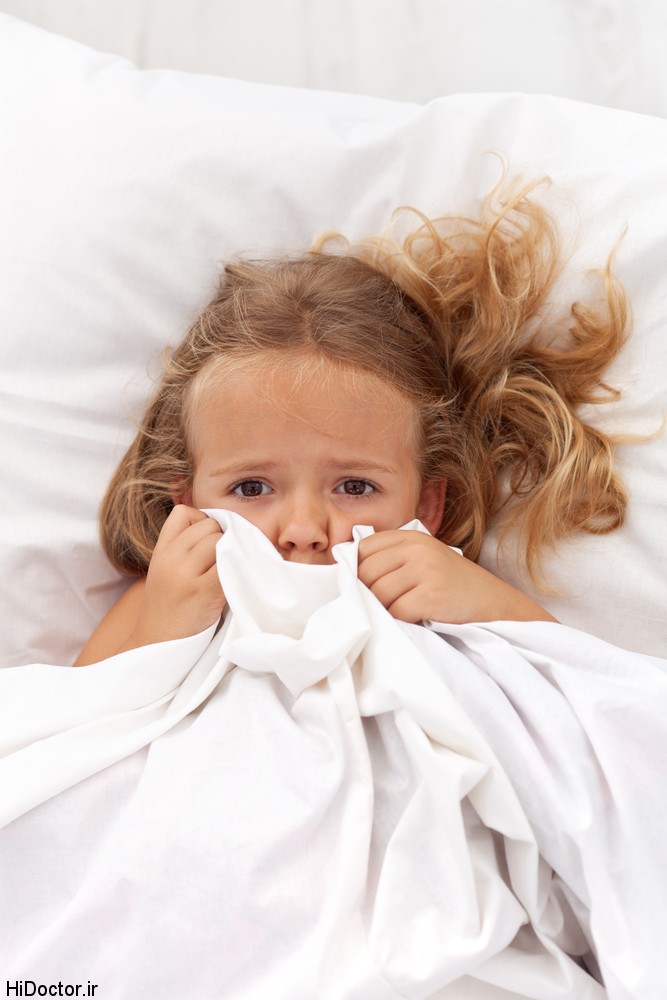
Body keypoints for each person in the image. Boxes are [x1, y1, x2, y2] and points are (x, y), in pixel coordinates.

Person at [74, 177, 628, 666]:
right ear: (188, 505)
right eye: (251, 487)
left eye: (356, 487)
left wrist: (490, 604)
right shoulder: (166, 596)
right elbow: (69, 725)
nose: (303, 530)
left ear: (427, 505)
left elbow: (596, 695)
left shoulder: (437, 592)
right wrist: (161, 631)